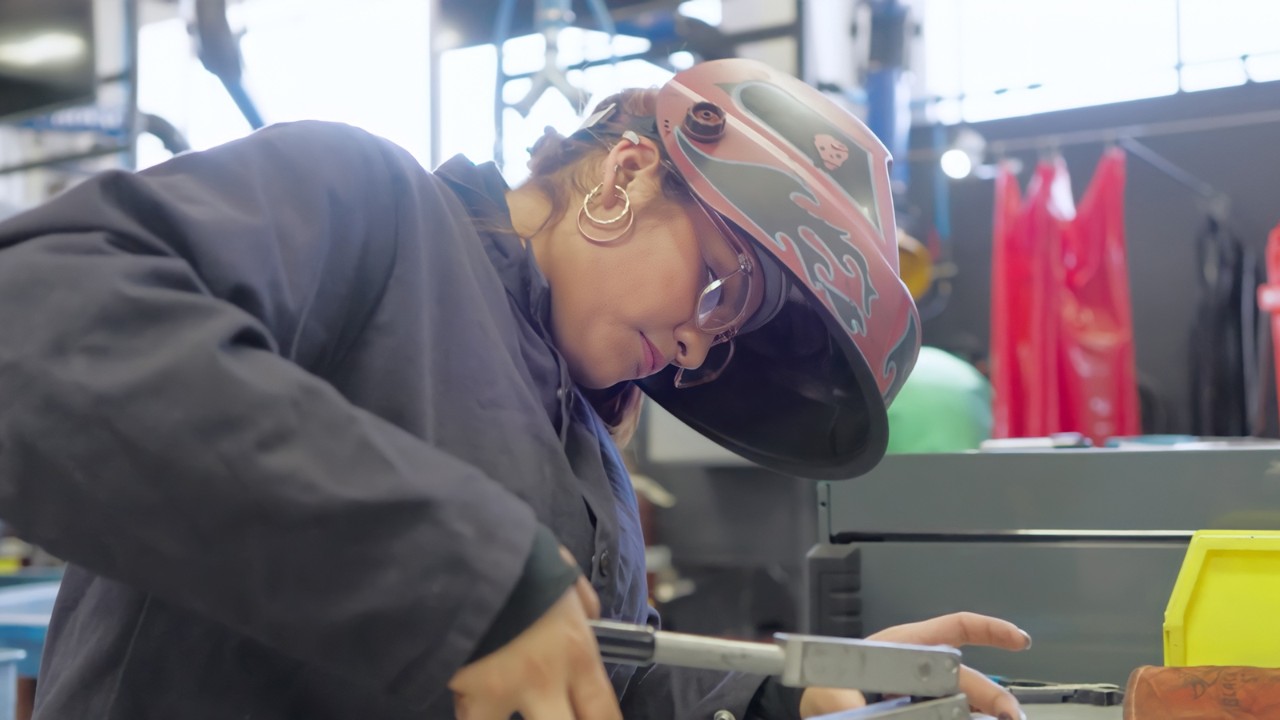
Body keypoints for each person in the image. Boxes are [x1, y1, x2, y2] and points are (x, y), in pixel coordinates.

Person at [0, 59, 1029, 719]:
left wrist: (793, 690)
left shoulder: (584, 449)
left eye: (726, 336)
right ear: (628, 173)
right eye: (719, 285)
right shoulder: (371, 210)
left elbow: (593, 681)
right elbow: (39, 323)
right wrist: (457, 574)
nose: (690, 346)